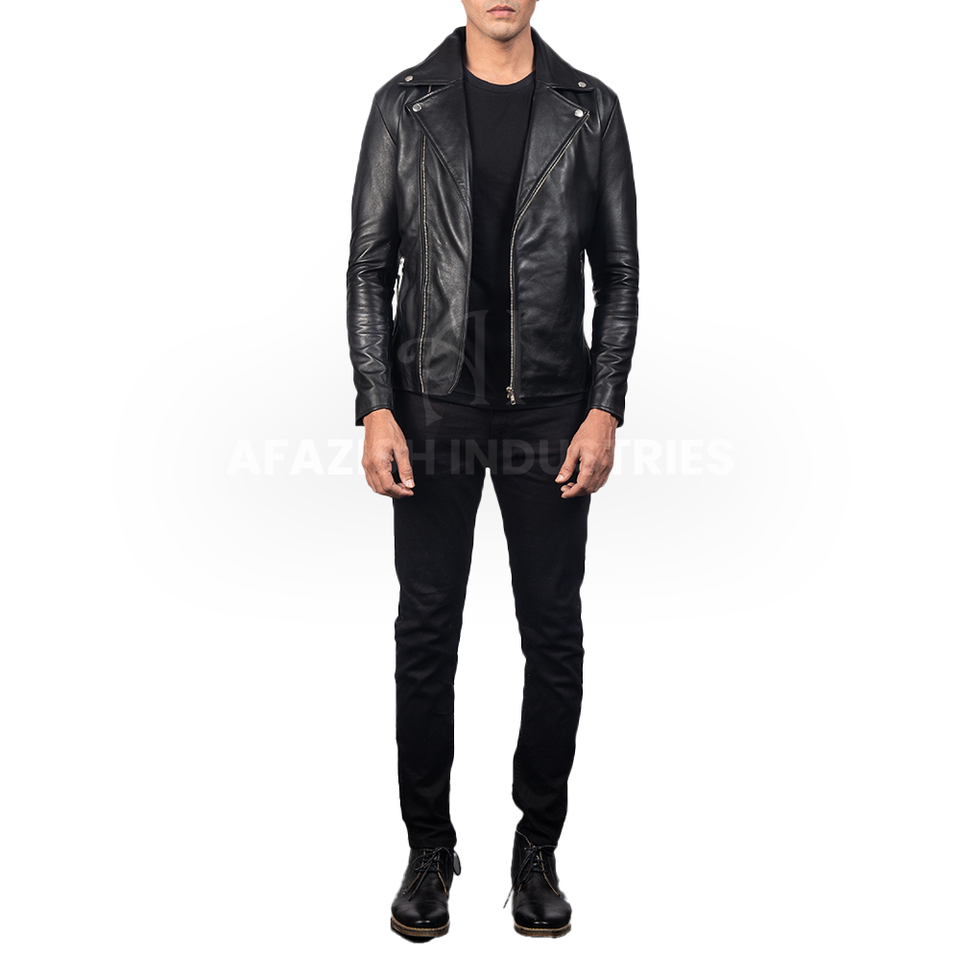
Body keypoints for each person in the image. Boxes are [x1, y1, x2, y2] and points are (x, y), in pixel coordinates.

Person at [345, 0, 638, 940]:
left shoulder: (590, 108)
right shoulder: (404, 105)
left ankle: (536, 849)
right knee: (427, 632)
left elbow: (618, 271)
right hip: (431, 404)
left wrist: (605, 406)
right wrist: (376, 403)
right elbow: (369, 268)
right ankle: (429, 848)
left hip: (553, 406)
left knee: (552, 634)